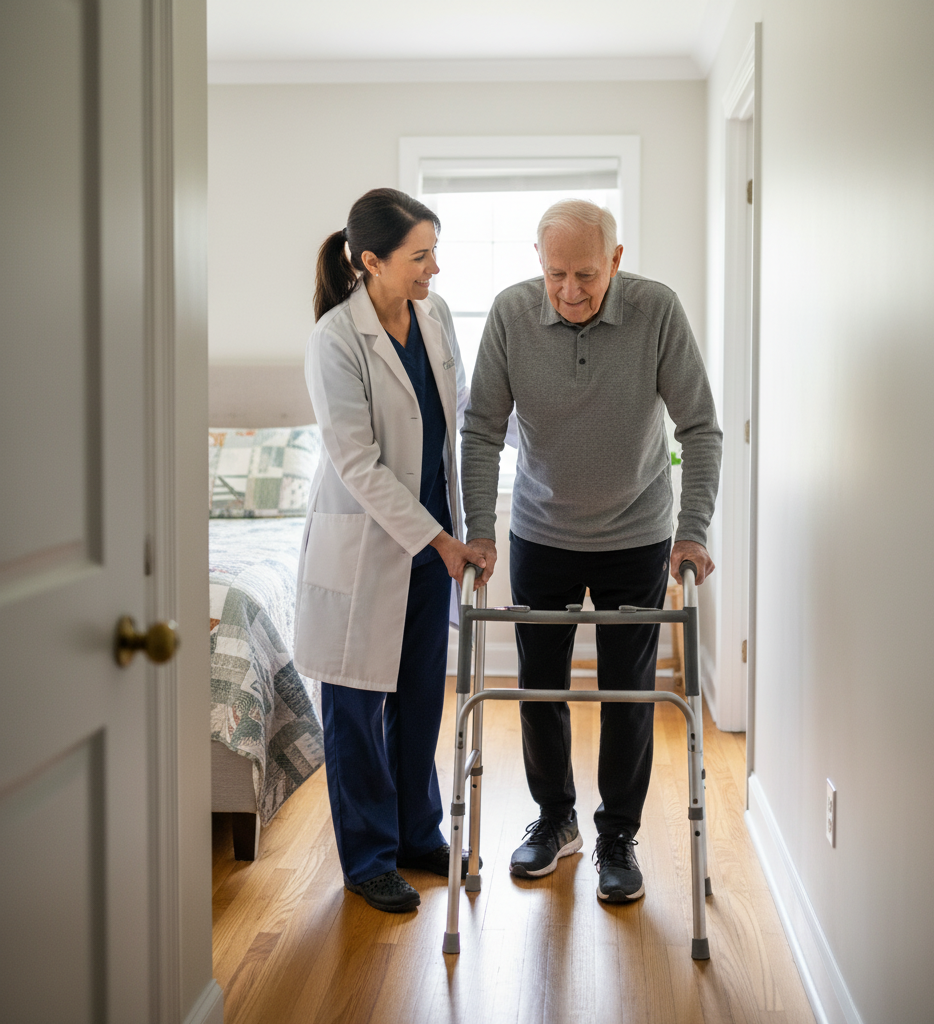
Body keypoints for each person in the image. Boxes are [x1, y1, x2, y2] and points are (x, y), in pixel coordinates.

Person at [460, 199, 722, 904]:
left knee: (628, 691)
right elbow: (481, 427)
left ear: (616, 259)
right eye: (555, 276)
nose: (570, 292)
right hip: (540, 532)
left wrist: (693, 528)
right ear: (537, 264)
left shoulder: (656, 312)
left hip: (636, 535)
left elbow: (700, 426)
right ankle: (555, 820)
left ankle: (618, 834)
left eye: (586, 275)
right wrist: (478, 530)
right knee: (541, 686)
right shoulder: (512, 315)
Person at [294, 188, 482, 914]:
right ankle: (369, 857)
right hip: (370, 544)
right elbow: (356, 461)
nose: (434, 269)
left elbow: (455, 424)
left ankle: (416, 833)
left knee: (415, 698)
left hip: (432, 543)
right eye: (420, 256)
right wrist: (440, 539)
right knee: (355, 708)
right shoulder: (336, 339)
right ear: (370, 262)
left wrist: (454, 535)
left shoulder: (434, 321)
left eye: (434, 251)